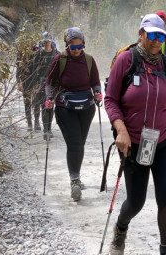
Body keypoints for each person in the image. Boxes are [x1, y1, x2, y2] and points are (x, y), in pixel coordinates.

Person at [104, 13, 166, 255]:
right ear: (140, 34)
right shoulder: (126, 60)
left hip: (164, 141)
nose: (156, 41)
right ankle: (121, 228)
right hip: (133, 143)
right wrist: (120, 130)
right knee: (136, 202)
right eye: (151, 35)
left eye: (161, 36)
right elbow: (110, 100)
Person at [44, 27, 102, 201]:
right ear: (67, 45)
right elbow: (49, 82)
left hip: (87, 107)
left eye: (79, 47)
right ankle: (74, 180)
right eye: (72, 47)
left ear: (83, 44)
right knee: (75, 142)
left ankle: (76, 175)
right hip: (64, 107)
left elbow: (95, 82)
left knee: (80, 143)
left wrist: (98, 93)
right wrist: (49, 98)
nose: (76, 50)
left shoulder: (89, 60)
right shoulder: (59, 60)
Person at [32, 32, 59, 140]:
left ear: (51, 41)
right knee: (44, 106)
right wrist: (34, 86)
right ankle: (46, 130)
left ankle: (49, 128)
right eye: (45, 41)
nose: (47, 43)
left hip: (53, 84)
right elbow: (33, 71)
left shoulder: (57, 54)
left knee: (51, 107)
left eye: (48, 41)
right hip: (41, 83)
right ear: (42, 42)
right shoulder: (38, 55)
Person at [16, 40, 38, 131]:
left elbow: (38, 69)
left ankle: (37, 122)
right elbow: (18, 70)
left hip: (35, 79)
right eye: (26, 43)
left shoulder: (36, 53)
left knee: (36, 101)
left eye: (29, 43)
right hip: (25, 80)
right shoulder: (20, 55)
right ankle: (29, 123)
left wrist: (37, 84)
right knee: (27, 102)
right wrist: (19, 83)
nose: (28, 45)